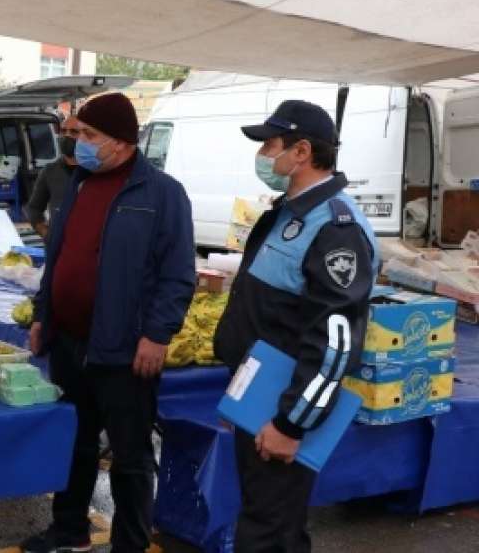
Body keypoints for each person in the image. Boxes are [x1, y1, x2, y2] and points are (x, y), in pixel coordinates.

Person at [23, 92, 195, 553]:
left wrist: (157, 335)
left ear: (121, 142)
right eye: (76, 132)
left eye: (88, 135)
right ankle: (70, 530)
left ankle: (130, 544)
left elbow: (178, 274)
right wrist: (44, 314)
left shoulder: (162, 194)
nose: (77, 141)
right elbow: (57, 259)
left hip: (124, 349)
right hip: (71, 342)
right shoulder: (78, 182)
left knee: (130, 457)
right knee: (75, 444)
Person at [213, 100, 377, 552]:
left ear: (302, 151)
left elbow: (336, 343)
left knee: (267, 533)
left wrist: (291, 423)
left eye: (270, 144)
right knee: (272, 525)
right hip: (257, 398)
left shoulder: (336, 228)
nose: (264, 155)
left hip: (282, 408)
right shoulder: (286, 212)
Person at [25, 115, 82, 238]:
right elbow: (34, 208)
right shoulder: (50, 171)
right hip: (59, 248)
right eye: (63, 131)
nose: (67, 135)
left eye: (74, 131)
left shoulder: (96, 170)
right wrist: (46, 234)